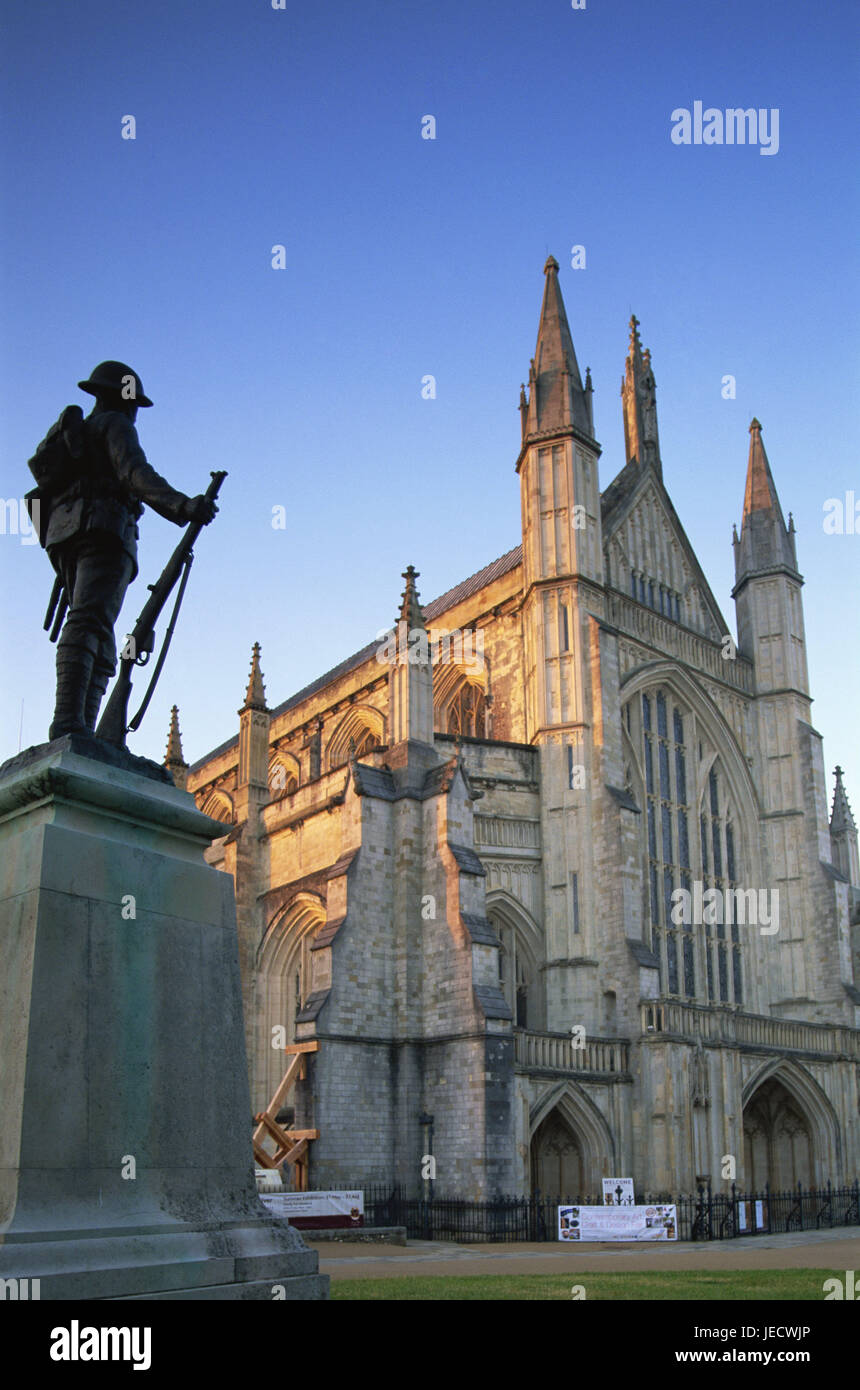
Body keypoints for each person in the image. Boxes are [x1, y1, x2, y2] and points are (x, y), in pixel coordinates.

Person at [35, 360, 217, 739]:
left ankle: (80, 727)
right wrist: (184, 506)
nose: (135, 410)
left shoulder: (79, 435)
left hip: (68, 534)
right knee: (91, 622)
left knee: (94, 626)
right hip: (104, 529)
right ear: (121, 398)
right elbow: (135, 474)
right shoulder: (115, 424)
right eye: (134, 401)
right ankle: (70, 722)